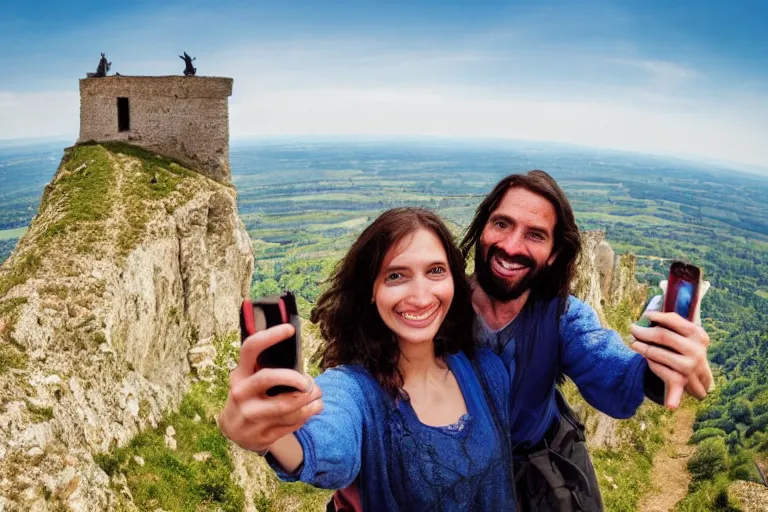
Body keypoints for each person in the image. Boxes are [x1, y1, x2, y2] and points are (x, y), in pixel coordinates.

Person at [218, 207, 516, 511]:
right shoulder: (356, 390)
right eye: (396, 276)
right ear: (371, 291)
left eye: (435, 271)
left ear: (454, 280)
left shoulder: (487, 371)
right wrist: (273, 436)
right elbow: (329, 443)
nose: (422, 296)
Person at [458, 170, 714, 511]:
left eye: (535, 235)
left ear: (552, 254)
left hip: (535, 484)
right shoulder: (439, 307)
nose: (510, 245)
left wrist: (664, 364)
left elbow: (613, 372)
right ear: (482, 228)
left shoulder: (562, 316)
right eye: (502, 224)